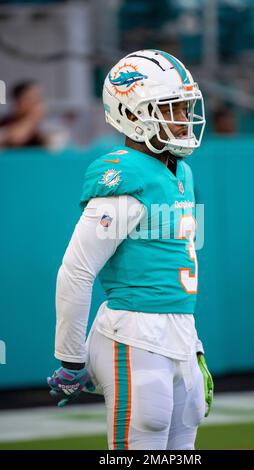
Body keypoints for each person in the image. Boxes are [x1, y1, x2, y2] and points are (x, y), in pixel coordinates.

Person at [48, 49, 213, 450]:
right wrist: (71, 358)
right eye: (170, 108)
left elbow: (174, 262)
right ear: (131, 113)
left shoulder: (182, 172)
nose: (182, 119)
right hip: (134, 335)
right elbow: (77, 269)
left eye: (184, 107)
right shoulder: (126, 173)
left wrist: (193, 344)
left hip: (179, 335)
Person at [0, 80, 48, 148]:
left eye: (38, 98)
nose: (37, 103)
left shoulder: (43, 125)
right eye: (31, 98)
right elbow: (14, 138)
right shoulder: (5, 123)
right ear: (18, 102)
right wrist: (32, 118)